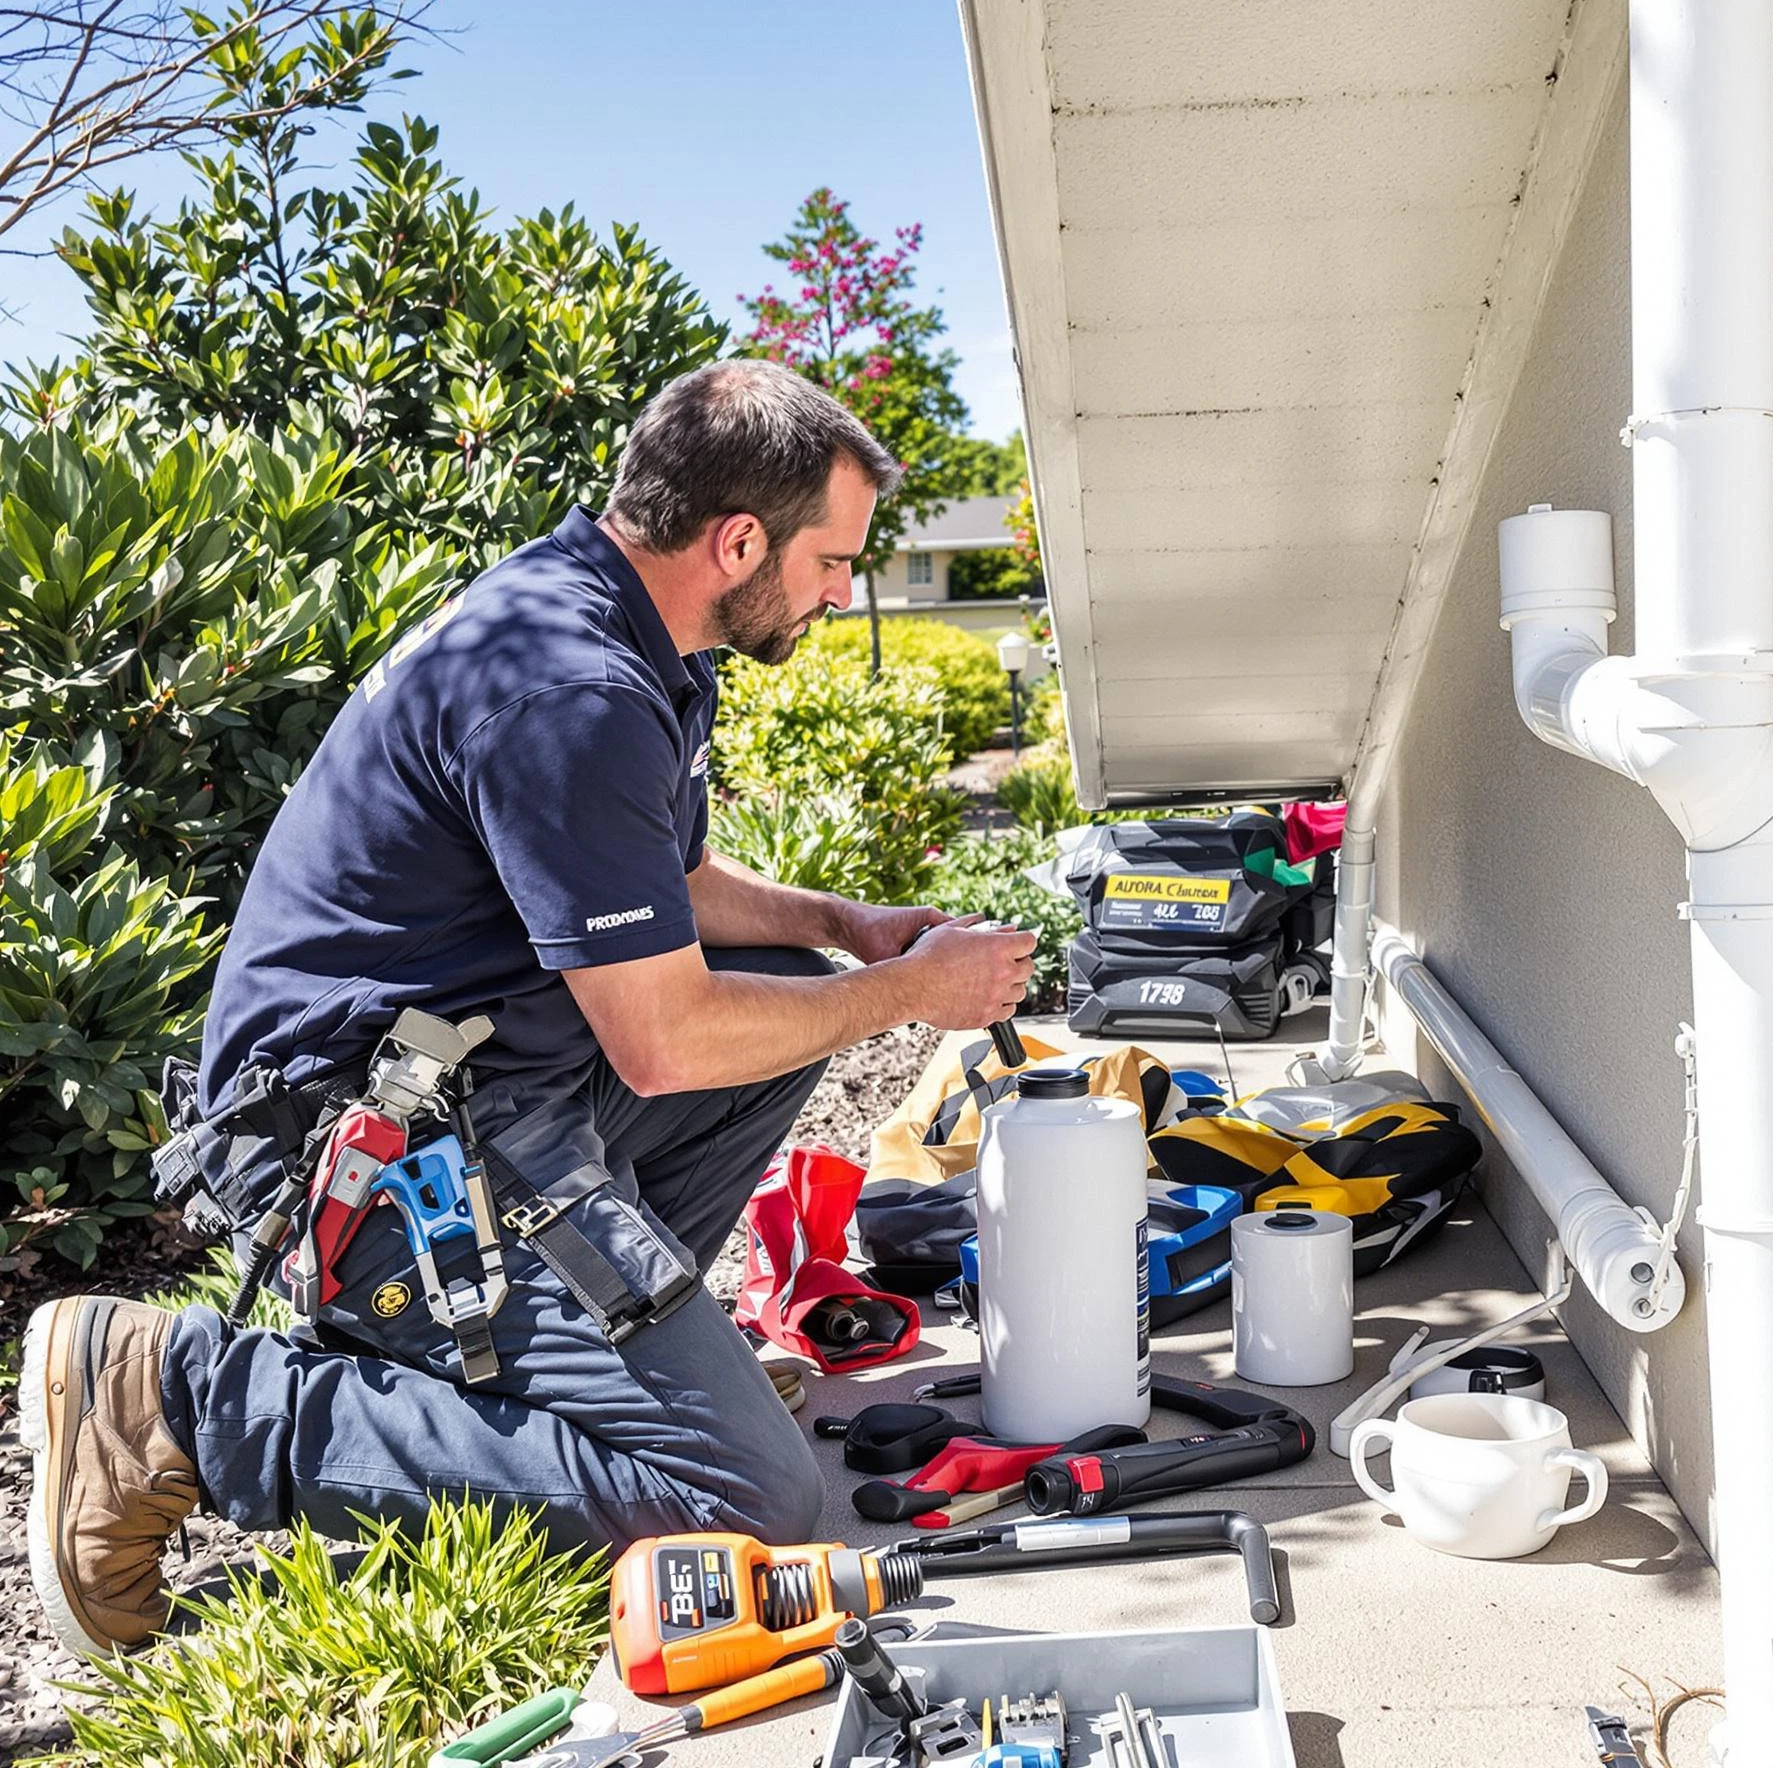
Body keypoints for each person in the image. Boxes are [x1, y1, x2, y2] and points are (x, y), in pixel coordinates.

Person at [18, 361, 1038, 1659]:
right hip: (360, 1151)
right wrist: (905, 995)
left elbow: (661, 885)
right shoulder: (571, 689)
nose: (842, 592)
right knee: (747, 1503)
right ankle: (178, 1401)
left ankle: (596, 1378)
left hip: (476, 1087)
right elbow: (664, 1043)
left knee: (792, 986)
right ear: (738, 542)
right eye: (832, 560)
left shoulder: (623, 627)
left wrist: (846, 930)